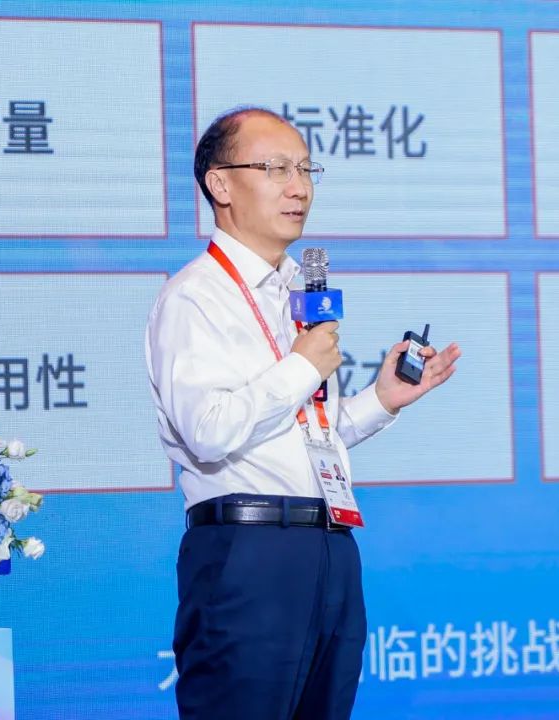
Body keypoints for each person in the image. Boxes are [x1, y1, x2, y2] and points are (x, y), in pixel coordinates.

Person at [145, 107, 461, 720]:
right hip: (248, 553)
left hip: (329, 546)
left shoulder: (295, 295)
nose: (299, 187)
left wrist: (381, 400)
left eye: (306, 169)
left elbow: (298, 433)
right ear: (220, 184)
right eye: (276, 169)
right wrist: (301, 366)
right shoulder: (194, 297)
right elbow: (209, 431)